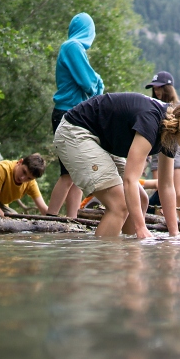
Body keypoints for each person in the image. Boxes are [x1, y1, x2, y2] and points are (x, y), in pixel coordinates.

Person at [53, 92, 180, 238]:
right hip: (75, 132)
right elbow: (130, 180)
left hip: (100, 141)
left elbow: (166, 186)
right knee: (120, 204)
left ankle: (128, 261)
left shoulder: (171, 133)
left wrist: (174, 235)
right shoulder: (151, 120)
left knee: (142, 200)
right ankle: (102, 266)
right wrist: (141, 227)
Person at [47, 13, 104, 219]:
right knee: (68, 173)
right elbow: (88, 83)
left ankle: (72, 219)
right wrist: (98, 81)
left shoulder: (74, 48)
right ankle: (51, 217)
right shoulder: (72, 47)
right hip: (67, 114)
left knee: (77, 173)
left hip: (75, 114)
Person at [145, 71, 180, 222]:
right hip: (157, 154)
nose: (157, 91)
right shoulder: (153, 107)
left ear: (168, 88)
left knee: (179, 192)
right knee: (160, 190)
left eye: (159, 88)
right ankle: (160, 221)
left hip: (179, 153)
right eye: (155, 89)